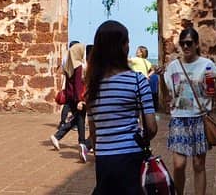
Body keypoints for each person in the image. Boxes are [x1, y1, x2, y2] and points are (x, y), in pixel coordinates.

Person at [86, 20, 157, 194]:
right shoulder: (137, 81)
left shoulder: (92, 86)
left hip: (104, 159)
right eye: (127, 42)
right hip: (131, 157)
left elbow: (94, 132)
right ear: (123, 47)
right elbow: (152, 128)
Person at [164, 27, 216, 195]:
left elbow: (214, 93)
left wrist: (212, 88)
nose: (185, 47)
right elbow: (168, 93)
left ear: (196, 44)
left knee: (198, 164)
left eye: (189, 43)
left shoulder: (207, 65)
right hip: (179, 118)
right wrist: (160, 78)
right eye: (182, 44)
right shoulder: (173, 66)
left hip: (199, 118)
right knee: (179, 165)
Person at [49, 41, 89, 161]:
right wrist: (80, 100)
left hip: (71, 96)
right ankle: (79, 143)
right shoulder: (78, 67)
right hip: (78, 97)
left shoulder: (69, 66)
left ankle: (81, 143)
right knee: (79, 118)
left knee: (79, 119)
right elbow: (78, 85)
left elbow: (69, 84)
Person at [129, 45, 160, 111]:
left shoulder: (136, 59)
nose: (136, 52)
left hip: (135, 82)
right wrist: (148, 75)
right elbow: (154, 70)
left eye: (138, 51)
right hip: (144, 83)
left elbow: (124, 60)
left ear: (141, 53)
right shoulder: (148, 62)